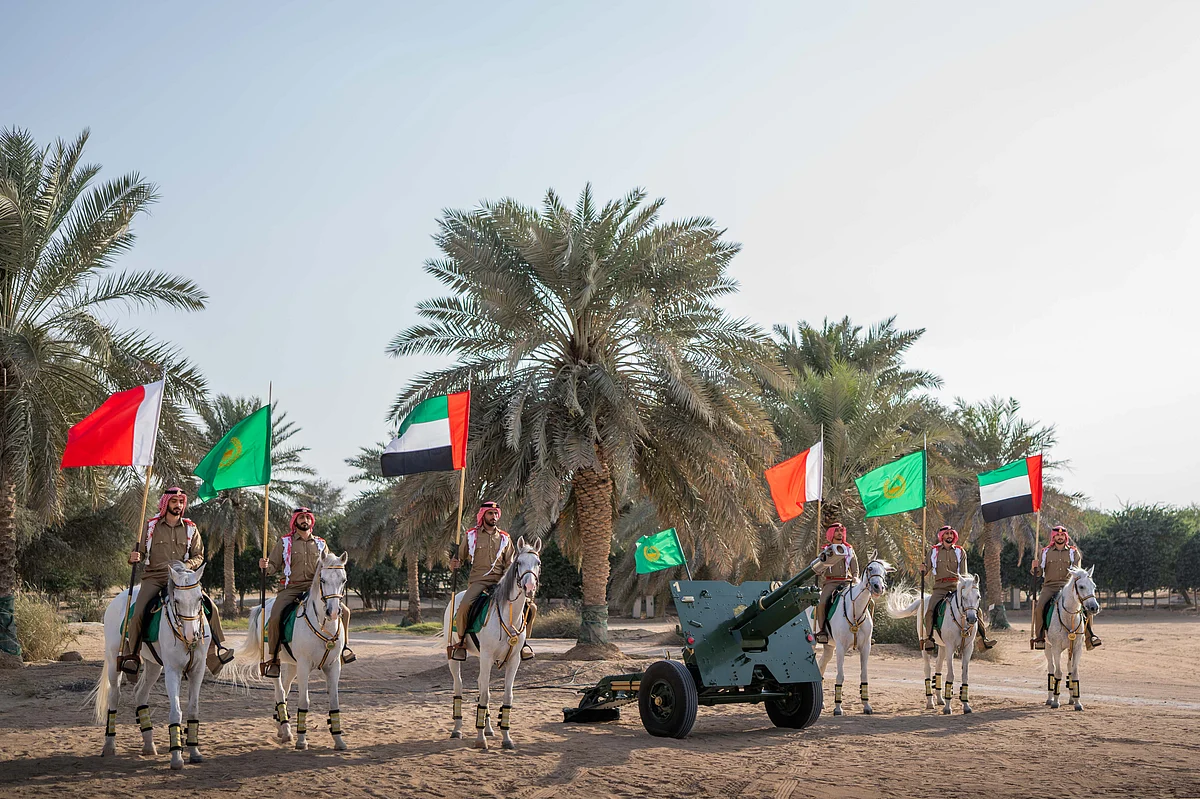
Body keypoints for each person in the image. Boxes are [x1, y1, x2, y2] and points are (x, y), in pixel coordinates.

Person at [119, 487, 235, 677]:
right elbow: (139, 553)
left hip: (183, 578)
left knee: (211, 607)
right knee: (139, 612)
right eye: (174, 501)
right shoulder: (151, 527)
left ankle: (214, 653)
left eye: (181, 502)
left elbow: (199, 556)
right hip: (155, 577)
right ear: (166, 503)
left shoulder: (191, 528)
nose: (178, 505)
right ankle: (133, 655)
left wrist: (185, 567)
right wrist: (134, 557)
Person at [259, 507, 355, 678]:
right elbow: (273, 565)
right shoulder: (285, 542)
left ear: (311, 521)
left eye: (307, 517)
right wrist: (265, 567)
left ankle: (343, 648)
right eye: (301, 517)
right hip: (291, 588)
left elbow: (329, 564)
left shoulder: (321, 543)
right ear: (295, 521)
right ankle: (274, 659)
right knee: (275, 617)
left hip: (314, 588)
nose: (305, 520)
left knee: (345, 612)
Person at [448, 501, 534, 662]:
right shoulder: (471, 536)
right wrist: (454, 563)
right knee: (464, 606)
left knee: (531, 607)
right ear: (483, 515)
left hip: (501, 583)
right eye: (490, 513)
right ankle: (461, 642)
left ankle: (522, 644)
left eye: (495, 514)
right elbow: (459, 558)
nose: (493, 516)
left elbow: (510, 564)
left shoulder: (505, 538)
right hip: (479, 582)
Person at [917, 525, 996, 651]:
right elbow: (925, 571)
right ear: (942, 536)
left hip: (957, 587)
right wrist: (922, 569)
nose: (949, 536)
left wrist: (965, 586)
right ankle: (929, 639)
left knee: (976, 610)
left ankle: (982, 639)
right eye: (947, 534)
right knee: (930, 610)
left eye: (951, 534)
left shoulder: (960, 551)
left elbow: (964, 574)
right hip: (940, 588)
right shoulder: (934, 551)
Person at [1031, 524, 1101, 650]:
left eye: (1062, 535)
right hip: (1050, 586)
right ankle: (1040, 637)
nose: (1060, 537)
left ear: (1065, 537)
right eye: (1057, 535)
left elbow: (1078, 572)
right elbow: (1039, 573)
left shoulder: (1073, 552)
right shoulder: (1045, 552)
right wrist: (1034, 568)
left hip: (1068, 586)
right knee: (1039, 608)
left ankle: (1090, 638)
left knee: (1086, 606)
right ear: (1053, 537)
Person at [812, 523, 859, 644]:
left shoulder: (849, 550)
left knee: (863, 598)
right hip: (831, 582)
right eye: (837, 531)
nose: (840, 533)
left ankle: (865, 631)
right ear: (831, 533)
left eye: (841, 530)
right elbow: (819, 568)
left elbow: (854, 566)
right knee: (822, 603)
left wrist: (855, 576)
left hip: (847, 582)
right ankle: (822, 631)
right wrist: (818, 568)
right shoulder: (825, 550)